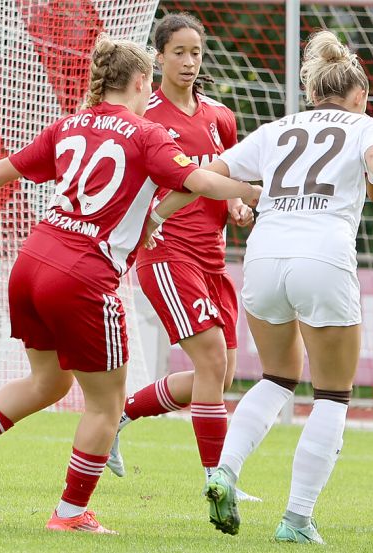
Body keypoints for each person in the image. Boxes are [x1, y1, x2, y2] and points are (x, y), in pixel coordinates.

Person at [0, 34, 261, 534]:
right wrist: (256, 188)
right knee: (104, 404)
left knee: (49, 381)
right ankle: (71, 514)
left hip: (31, 263)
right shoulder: (146, 134)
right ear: (143, 82)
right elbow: (203, 182)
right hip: (82, 275)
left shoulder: (68, 125)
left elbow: (2, 170)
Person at [143, 30, 373, 544]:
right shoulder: (365, 126)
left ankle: (223, 471)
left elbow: (205, 173)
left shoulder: (279, 128)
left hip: (264, 255)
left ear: (312, 94)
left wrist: (159, 214)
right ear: (358, 95)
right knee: (332, 393)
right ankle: (296, 518)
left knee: (275, 377)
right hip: (322, 256)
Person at [105, 12, 259, 502]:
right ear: (158, 56)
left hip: (214, 258)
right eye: (179, 53)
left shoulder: (219, 115)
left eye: (196, 52)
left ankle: (118, 415)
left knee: (220, 374)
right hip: (167, 253)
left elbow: (224, 176)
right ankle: (220, 482)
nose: (190, 62)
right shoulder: (142, 115)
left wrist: (236, 203)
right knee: (212, 361)